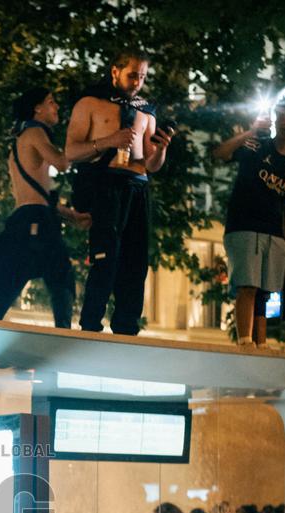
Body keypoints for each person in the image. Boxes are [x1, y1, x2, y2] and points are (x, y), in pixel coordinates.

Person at [66, 50, 173, 335]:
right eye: (132, 75)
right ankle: (90, 325)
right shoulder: (90, 103)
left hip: (138, 186)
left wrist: (161, 149)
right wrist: (108, 141)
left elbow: (151, 165)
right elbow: (71, 151)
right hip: (106, 183)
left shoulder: (146, 110)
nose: (137, 81)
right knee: (106, 257)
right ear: (115, 71)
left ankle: (127, 327)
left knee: (136, 262)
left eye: (142, 76)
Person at [0, 86, 91, 327]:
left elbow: (33, 195)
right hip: (36, 221)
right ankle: (62, 335)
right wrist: (83, 142)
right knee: (61, 280)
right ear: (37, 108)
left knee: (7, 286)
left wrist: (69, 215)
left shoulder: (21, 139)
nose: (56, 107)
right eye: (51, 102)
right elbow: (62, 162)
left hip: (25, 219)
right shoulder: (35, 133)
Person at [213, 104, 285, 346]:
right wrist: (250, 131)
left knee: (265, 292)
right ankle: (245, 341)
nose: (284, 122)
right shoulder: (255, 146)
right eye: (280, 117)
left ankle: (260, 344)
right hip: (244, 226)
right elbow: (221, 153)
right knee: (248, 284)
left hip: (273, 233)